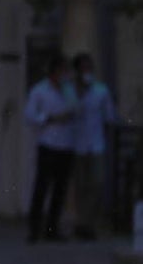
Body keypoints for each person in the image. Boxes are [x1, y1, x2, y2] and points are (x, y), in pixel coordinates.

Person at [23, 53, 78, 243]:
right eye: (63, 70)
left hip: (66, 143)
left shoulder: (68, 90)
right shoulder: (39, 91)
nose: (66, 75)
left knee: (60, 189)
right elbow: (30, 115)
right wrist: (49, 118)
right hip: (48, 143)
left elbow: (75, 108)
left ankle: (52, 228)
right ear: (55, 72)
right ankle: (34, 229)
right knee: (42, 187)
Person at [71, 53, 117, 241]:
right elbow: (70, 110)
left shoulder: (101, 90)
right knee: (80, 186)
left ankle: (89, 222)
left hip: (96, 144)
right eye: (83, 68)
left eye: (89, 68)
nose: (86, 72)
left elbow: (110, 116)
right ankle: (81, 223)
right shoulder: (71, 90)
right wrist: (80, 92)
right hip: (77, 144)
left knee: (96, 184)